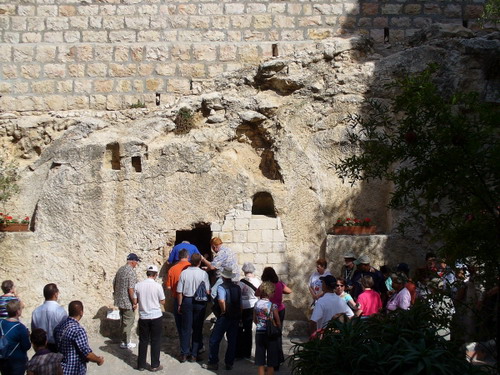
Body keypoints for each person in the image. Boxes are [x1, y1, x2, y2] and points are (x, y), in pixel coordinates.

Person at [205, 268, 242, 371]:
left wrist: (224, 311)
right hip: (235, 316)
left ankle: (213, 362)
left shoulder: (221, 287)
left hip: (225, 316)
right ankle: (229, 363)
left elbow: (221, 300)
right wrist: (240, 316)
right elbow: (240, 304)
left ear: (223, 277)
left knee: (214, 339)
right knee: (232, 340)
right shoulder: (237, 288)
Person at [176, 253, 210, 363]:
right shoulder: (203, 274)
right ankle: (194, 354)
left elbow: (179, 291)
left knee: (185, 328)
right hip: (199, 302)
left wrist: (180, 304)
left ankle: (184, 353)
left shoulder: (184, 273)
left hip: (187, 300)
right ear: (200, 262)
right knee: (197, 328)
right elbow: (207, 290)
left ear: (190, 261)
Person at [54, 301, 104, 375]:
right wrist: (98, 360)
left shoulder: (59, 326)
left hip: (60, 369)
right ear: (81, 312)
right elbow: (87, 354)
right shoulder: (78, 330)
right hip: (73, 370)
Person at [133, 265, 166, 372]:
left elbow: (135, 301)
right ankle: (154, 365)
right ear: (155, 275)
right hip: (156, 316)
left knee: (143, 340)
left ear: (147, 273)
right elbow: (163, 301)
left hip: (143, 316)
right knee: (155, 340)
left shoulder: (138, 285)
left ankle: (141, 365)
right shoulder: (157, 286)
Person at [258, 267, 292, 371]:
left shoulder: (264, 286)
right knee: (277, 334)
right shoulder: (280, 284)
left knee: (268, 335)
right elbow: (289, 291)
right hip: (279, 310)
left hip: (267, 310)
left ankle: (269, 362)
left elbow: (256, 293)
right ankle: (278, 359)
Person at [113, 253, 141, 349]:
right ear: (132, 261)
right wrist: (134, 302)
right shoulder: (131, 272)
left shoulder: (120, 270)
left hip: (119, 300)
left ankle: (123, 340)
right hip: (128, 302)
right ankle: (126, 342)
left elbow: (114, 283)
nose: (136, 264)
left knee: (123, 321)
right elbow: (131, 289)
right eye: (136, 262)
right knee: (129, 321)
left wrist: (117, 295)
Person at [253, 282, 281, 375]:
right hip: (270, 333)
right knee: (271, 360)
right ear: (269, 293)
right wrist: (278, 328)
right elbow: (277, 320)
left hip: (259, 332)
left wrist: (260, 323)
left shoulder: (256, 304)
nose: (274, 293)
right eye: (273, 292)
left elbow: (255, 319)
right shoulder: (273, 306)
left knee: (260, 360)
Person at [165, 249, 190, 350]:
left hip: (176, 298)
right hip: (189, 299)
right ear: (187, 256)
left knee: (180, 325)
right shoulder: (191, 267)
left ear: (178, 257)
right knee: (189, 325)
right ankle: (189, 346)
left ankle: (183, 347)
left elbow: (168, 287)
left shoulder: (172, 269)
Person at [31, 283, 68, 352]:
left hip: (40, 347)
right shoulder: (61, 311)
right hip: (56, 347)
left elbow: (34, 331)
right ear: (55, 294)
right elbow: (65, 332)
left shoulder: (36, 311)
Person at [236, 262, 261, 359]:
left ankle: (240, 351)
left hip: (243, 306)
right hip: (253, 306)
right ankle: (247, 352)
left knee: (240, 329)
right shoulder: (258, 281)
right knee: (248, 330)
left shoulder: (241, 282)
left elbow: (238, 296)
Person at [0, 300, 31, 375]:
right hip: (17, 362)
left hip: (3, 360)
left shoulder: (1, 323)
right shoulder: (21, 328)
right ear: (17, 312)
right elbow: (26, 346)